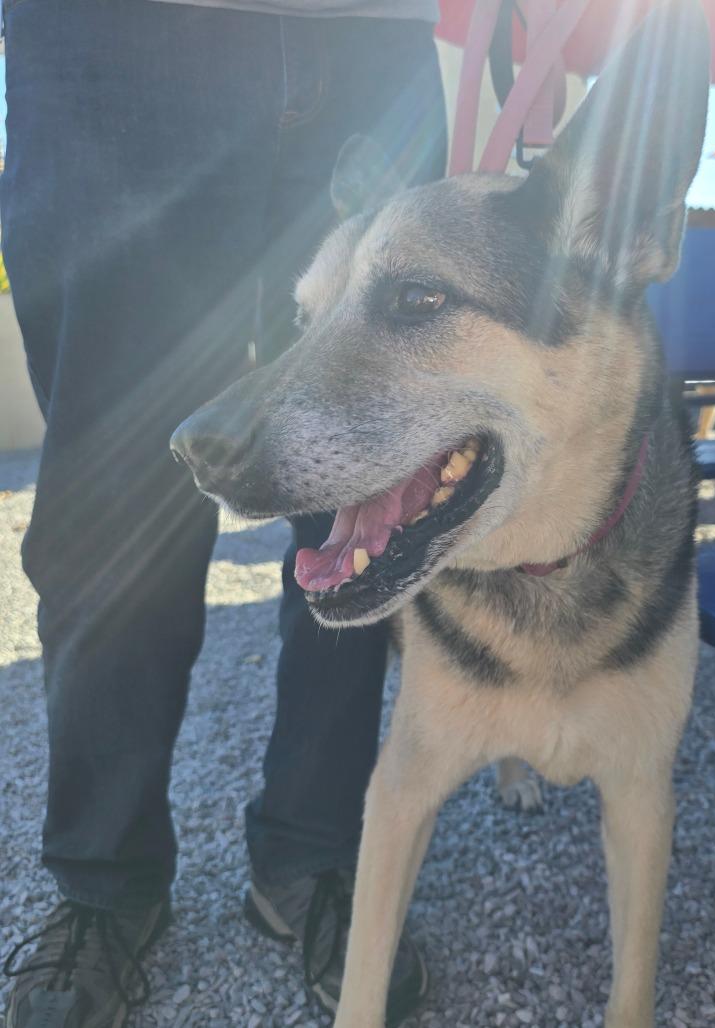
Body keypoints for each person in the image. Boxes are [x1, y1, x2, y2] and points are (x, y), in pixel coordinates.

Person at [0, 2, 446, 1026]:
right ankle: (104, 878)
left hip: (377, 39)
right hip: (113, 37)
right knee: (112, 494)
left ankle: (315, 850)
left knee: (364, 481)